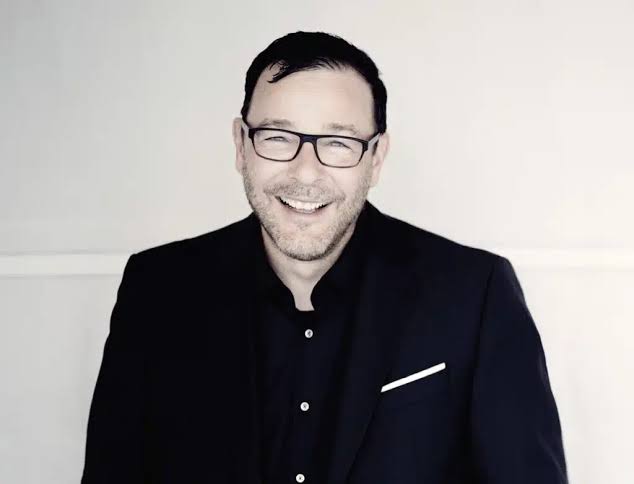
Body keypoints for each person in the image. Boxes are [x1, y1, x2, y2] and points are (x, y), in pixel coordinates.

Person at [81, 31, 569, 484]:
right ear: (241, 145)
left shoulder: (474, 293)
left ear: (376, 159)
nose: (306, 173)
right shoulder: (157, 290)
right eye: (278, 137)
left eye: (338, 143)